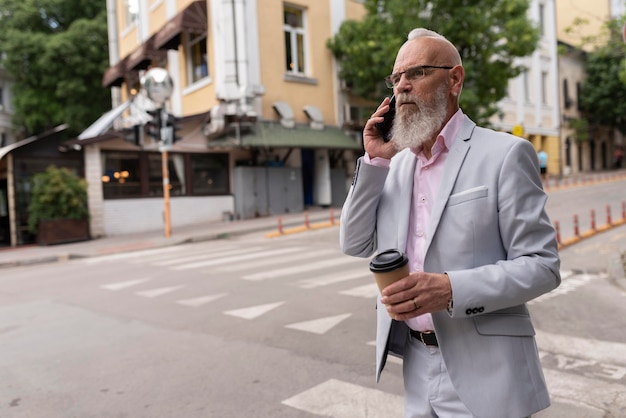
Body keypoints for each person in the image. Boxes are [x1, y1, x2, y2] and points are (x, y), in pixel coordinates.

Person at [339, 28, 561, 418]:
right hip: (417, 365)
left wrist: (451, 288)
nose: (402, 86)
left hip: (491, 374)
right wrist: (374, 161)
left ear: (455, 79)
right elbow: (354, 242)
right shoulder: (395, 165)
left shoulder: (505, 154)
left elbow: (542, 266)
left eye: (417, 73)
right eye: (396, 78)